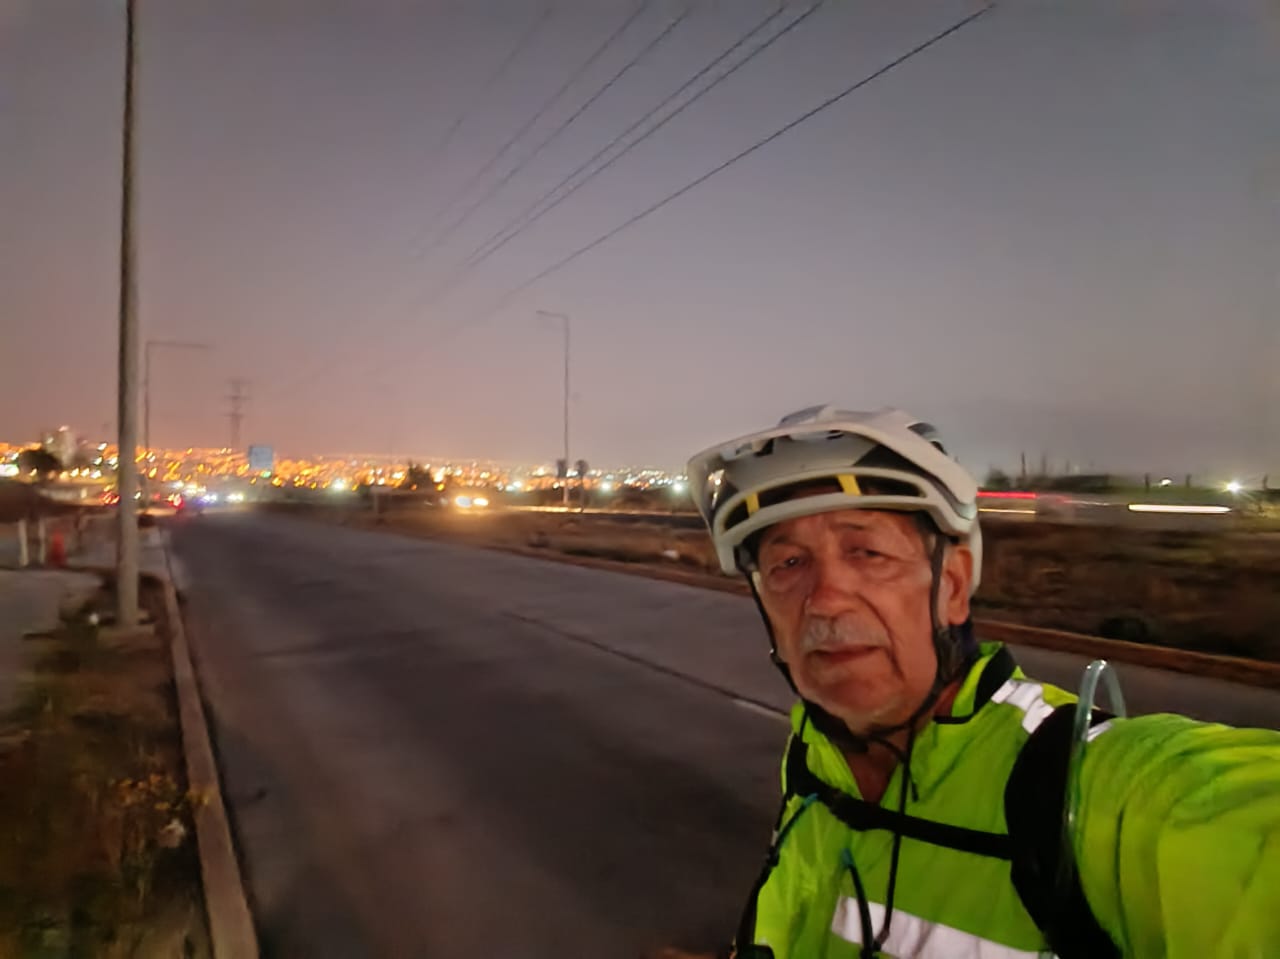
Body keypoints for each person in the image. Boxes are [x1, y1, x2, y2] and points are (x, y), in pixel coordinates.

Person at [684, 405, 1280, 959]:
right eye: (789, 564)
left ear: (952, 585)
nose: (825, 600)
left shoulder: (1084, 789)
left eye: (866, 551)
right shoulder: (812, 762)